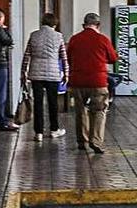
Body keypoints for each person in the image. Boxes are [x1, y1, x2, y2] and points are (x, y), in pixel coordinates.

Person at [66, 13, 117, 154]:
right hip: (98, 81)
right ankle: (96, 141)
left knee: (80, 111)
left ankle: (82, 141)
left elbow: (69, 58)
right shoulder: (103, 39)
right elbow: (113, 58)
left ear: (84, 25)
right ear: (98, 25)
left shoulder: (75, 39)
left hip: (77, 81)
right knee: (99, 111)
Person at [22, 13, 68, 141]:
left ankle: (39, 133)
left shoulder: (34, 35)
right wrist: (66, 73)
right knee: (53, 103)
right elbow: (64, 57)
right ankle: (54, 129)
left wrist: (23, 72)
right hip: (53, 74)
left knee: (38, 103)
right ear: (54, 24)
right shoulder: (58, 36)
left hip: (36, 74)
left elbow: (27, 55)